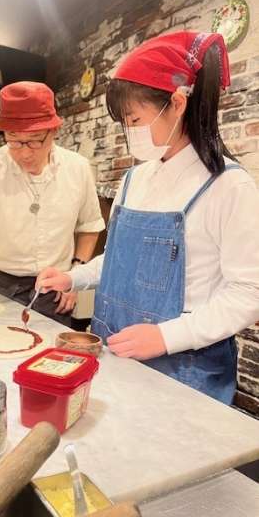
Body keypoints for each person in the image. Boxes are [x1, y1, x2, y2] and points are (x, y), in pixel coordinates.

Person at [37, 31, 259, 404]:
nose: (130, 132)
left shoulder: (228, 186)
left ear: (177, 103)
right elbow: (120, 259)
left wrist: (166, 337)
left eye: (135, 119)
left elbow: (249, 293)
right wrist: (74, 277)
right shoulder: (134, 179)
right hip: (116, 354)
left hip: (186, 373)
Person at [0, 81, 105, 326]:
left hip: (54, 289)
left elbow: (90, 226)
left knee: (48, 350)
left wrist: (74, 275)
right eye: (14, 141)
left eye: (34, 140)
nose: (24, 153)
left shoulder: (78, 168)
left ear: (53, 131)